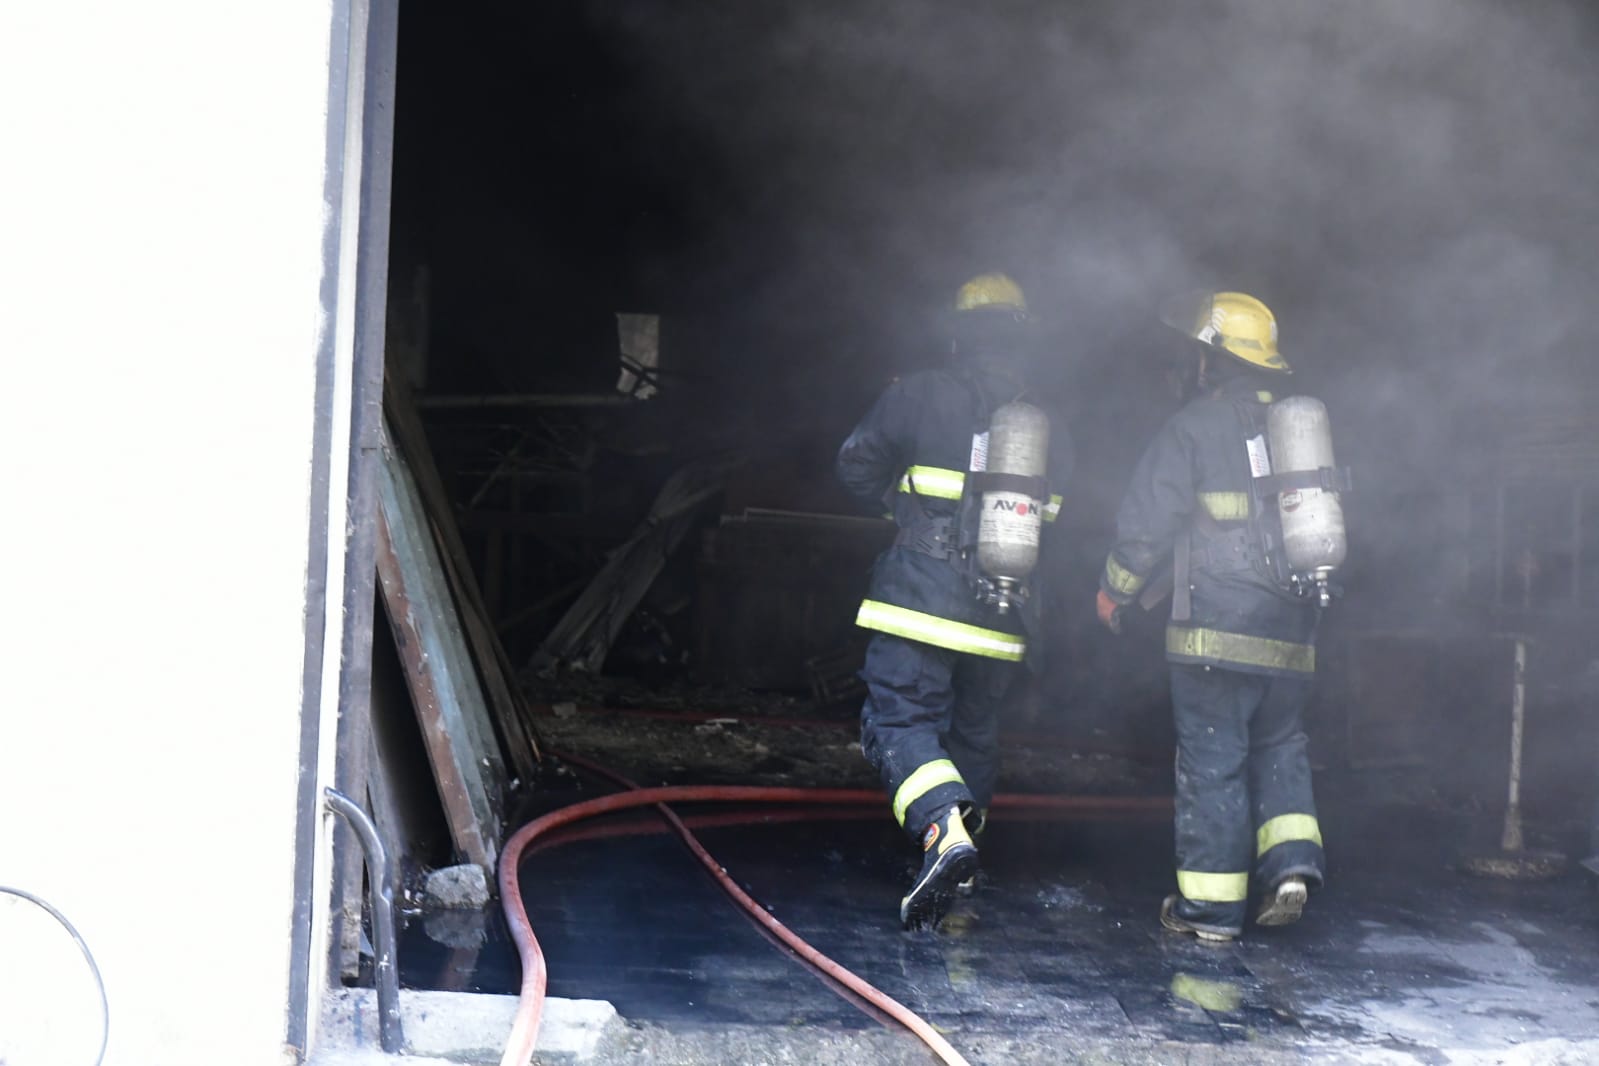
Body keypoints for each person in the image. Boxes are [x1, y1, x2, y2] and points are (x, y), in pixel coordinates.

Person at [836, 273, 1073, 930]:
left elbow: (853, 465)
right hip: (1002, 609)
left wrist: (905, 508)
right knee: (973, 732)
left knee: (898, 719)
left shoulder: (915, 394)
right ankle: (962, 868)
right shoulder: (1044, 423)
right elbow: (1051, 512)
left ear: (958, 334)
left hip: (919, 598)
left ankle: (943, 830)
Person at [1096, 291, 1327, 943]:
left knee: (1213, 763)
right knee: (1280, 744)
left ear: (1209, 362)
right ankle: (1291, 865)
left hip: (1212, 634)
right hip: (1291, 631)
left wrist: (1113, 591)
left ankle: (1211, 913)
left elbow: (1145, 526)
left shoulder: (1192, 427)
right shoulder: (1297, 430)